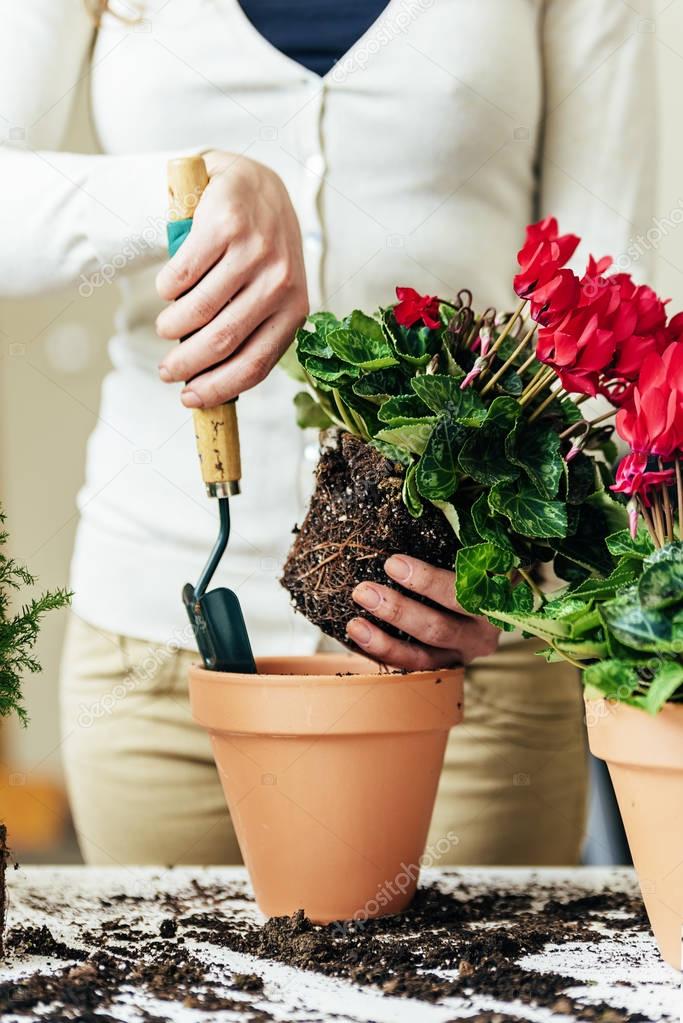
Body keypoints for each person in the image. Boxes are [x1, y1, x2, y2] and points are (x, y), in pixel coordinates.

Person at [1, 0, 655, 866]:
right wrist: (195, 186)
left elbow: (613, 304)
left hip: (461, 657)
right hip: (164, 657)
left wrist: (528, 574)